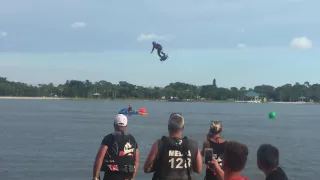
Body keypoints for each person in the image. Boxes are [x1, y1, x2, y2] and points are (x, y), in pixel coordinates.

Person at [143, 113, 202, 180]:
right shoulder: (193, 145)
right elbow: (199, 170)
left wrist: (161, 165)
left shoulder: (159, 144)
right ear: (183, 128)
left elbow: (146, 169)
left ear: (168, 127)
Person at [92, 114, 139, 180]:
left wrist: (95, 177)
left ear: (114, 125)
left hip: (111, 176)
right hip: (127, 176)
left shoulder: (108, 138)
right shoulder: (132, 140)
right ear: (126, 125)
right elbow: (136, 161)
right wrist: (133, 178)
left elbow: (100, 158)